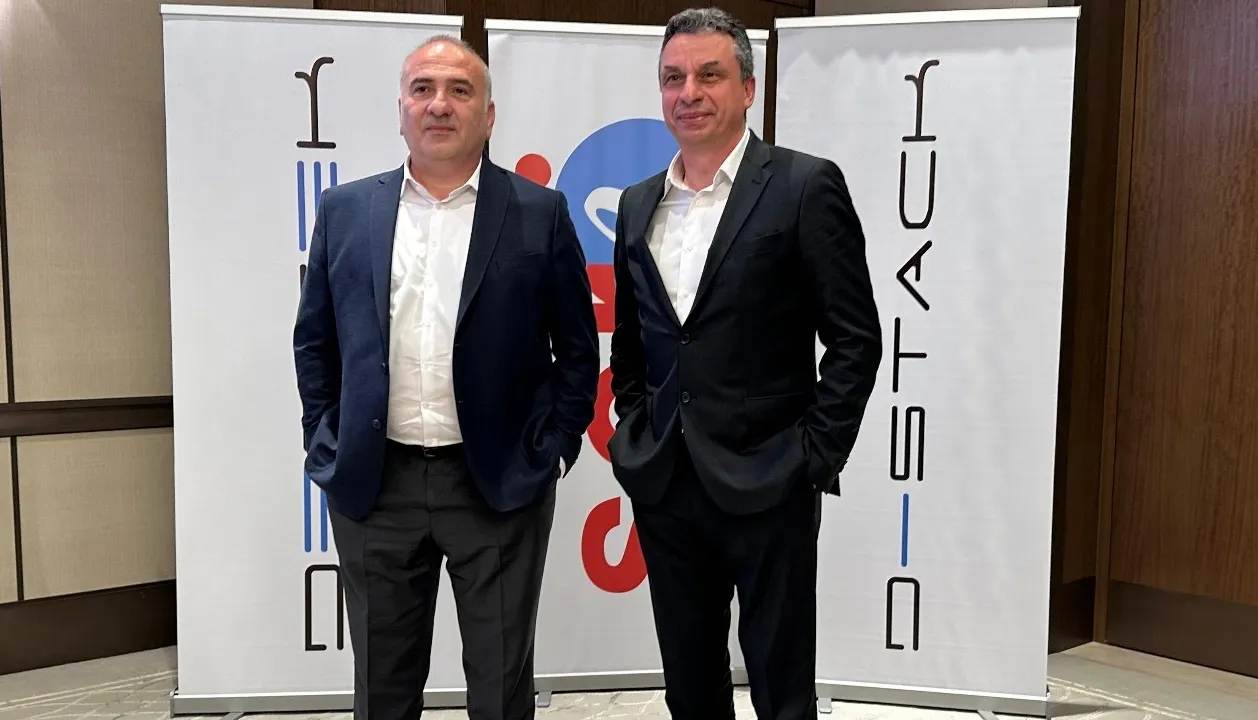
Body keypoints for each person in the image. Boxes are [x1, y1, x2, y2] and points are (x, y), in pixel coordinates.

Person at [293, 36, 598, 720]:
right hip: (376, 484)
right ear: (400, 109)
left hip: (498, 485)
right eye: (423, 89)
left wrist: (551, 448)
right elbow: (315, 341)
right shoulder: (345, 211)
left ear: (488, 116)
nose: (439, 105)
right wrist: (325, 437)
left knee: (500, 689)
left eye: (460, 91)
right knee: (383, 689)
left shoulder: (539, 212)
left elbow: (578, 351)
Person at [607, 7, 883, 719]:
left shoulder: (802, 186)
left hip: (772, 479)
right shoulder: (638, 205)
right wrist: (634, 428)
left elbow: (855, 338)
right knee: (690, 689)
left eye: (709, 75)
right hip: (666, 481)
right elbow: (633, 342)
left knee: (781, 691)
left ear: (748, 87)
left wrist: (813, 456)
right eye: (673, 78)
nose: (689, 93)